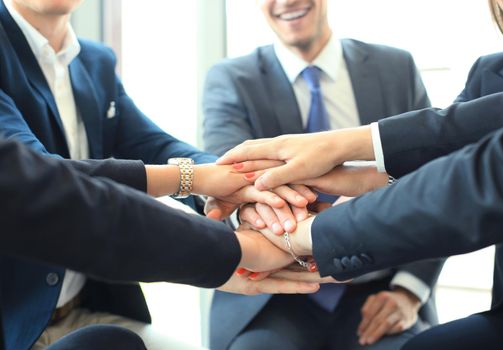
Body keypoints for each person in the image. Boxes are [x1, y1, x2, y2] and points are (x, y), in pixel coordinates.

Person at [0, 0, 313, 349]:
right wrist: (195, 182)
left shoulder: (93, 60)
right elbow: (44, 180)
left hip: (89, 312)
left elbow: (154, 144)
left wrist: (252, 195)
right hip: (16, 326)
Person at [202, 0, 443, 349]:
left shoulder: (395, 68)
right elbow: (234, 182)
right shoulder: (231, 79)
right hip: (270, 296)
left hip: (380, 286)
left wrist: (409, 289)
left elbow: (434, 179)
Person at [0, 138, 320, 349]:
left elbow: (47, 180)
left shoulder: (94, 63)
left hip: (87, 310)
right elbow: (58, 198)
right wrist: (238, 250)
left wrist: (241, 194)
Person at [253, 119, 503, 349]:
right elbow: (454, 158)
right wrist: (248, 206)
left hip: (380, 285)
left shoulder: (397, 66)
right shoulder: (493, 69)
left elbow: (460, 184)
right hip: (273, 303)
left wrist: (314, 234)